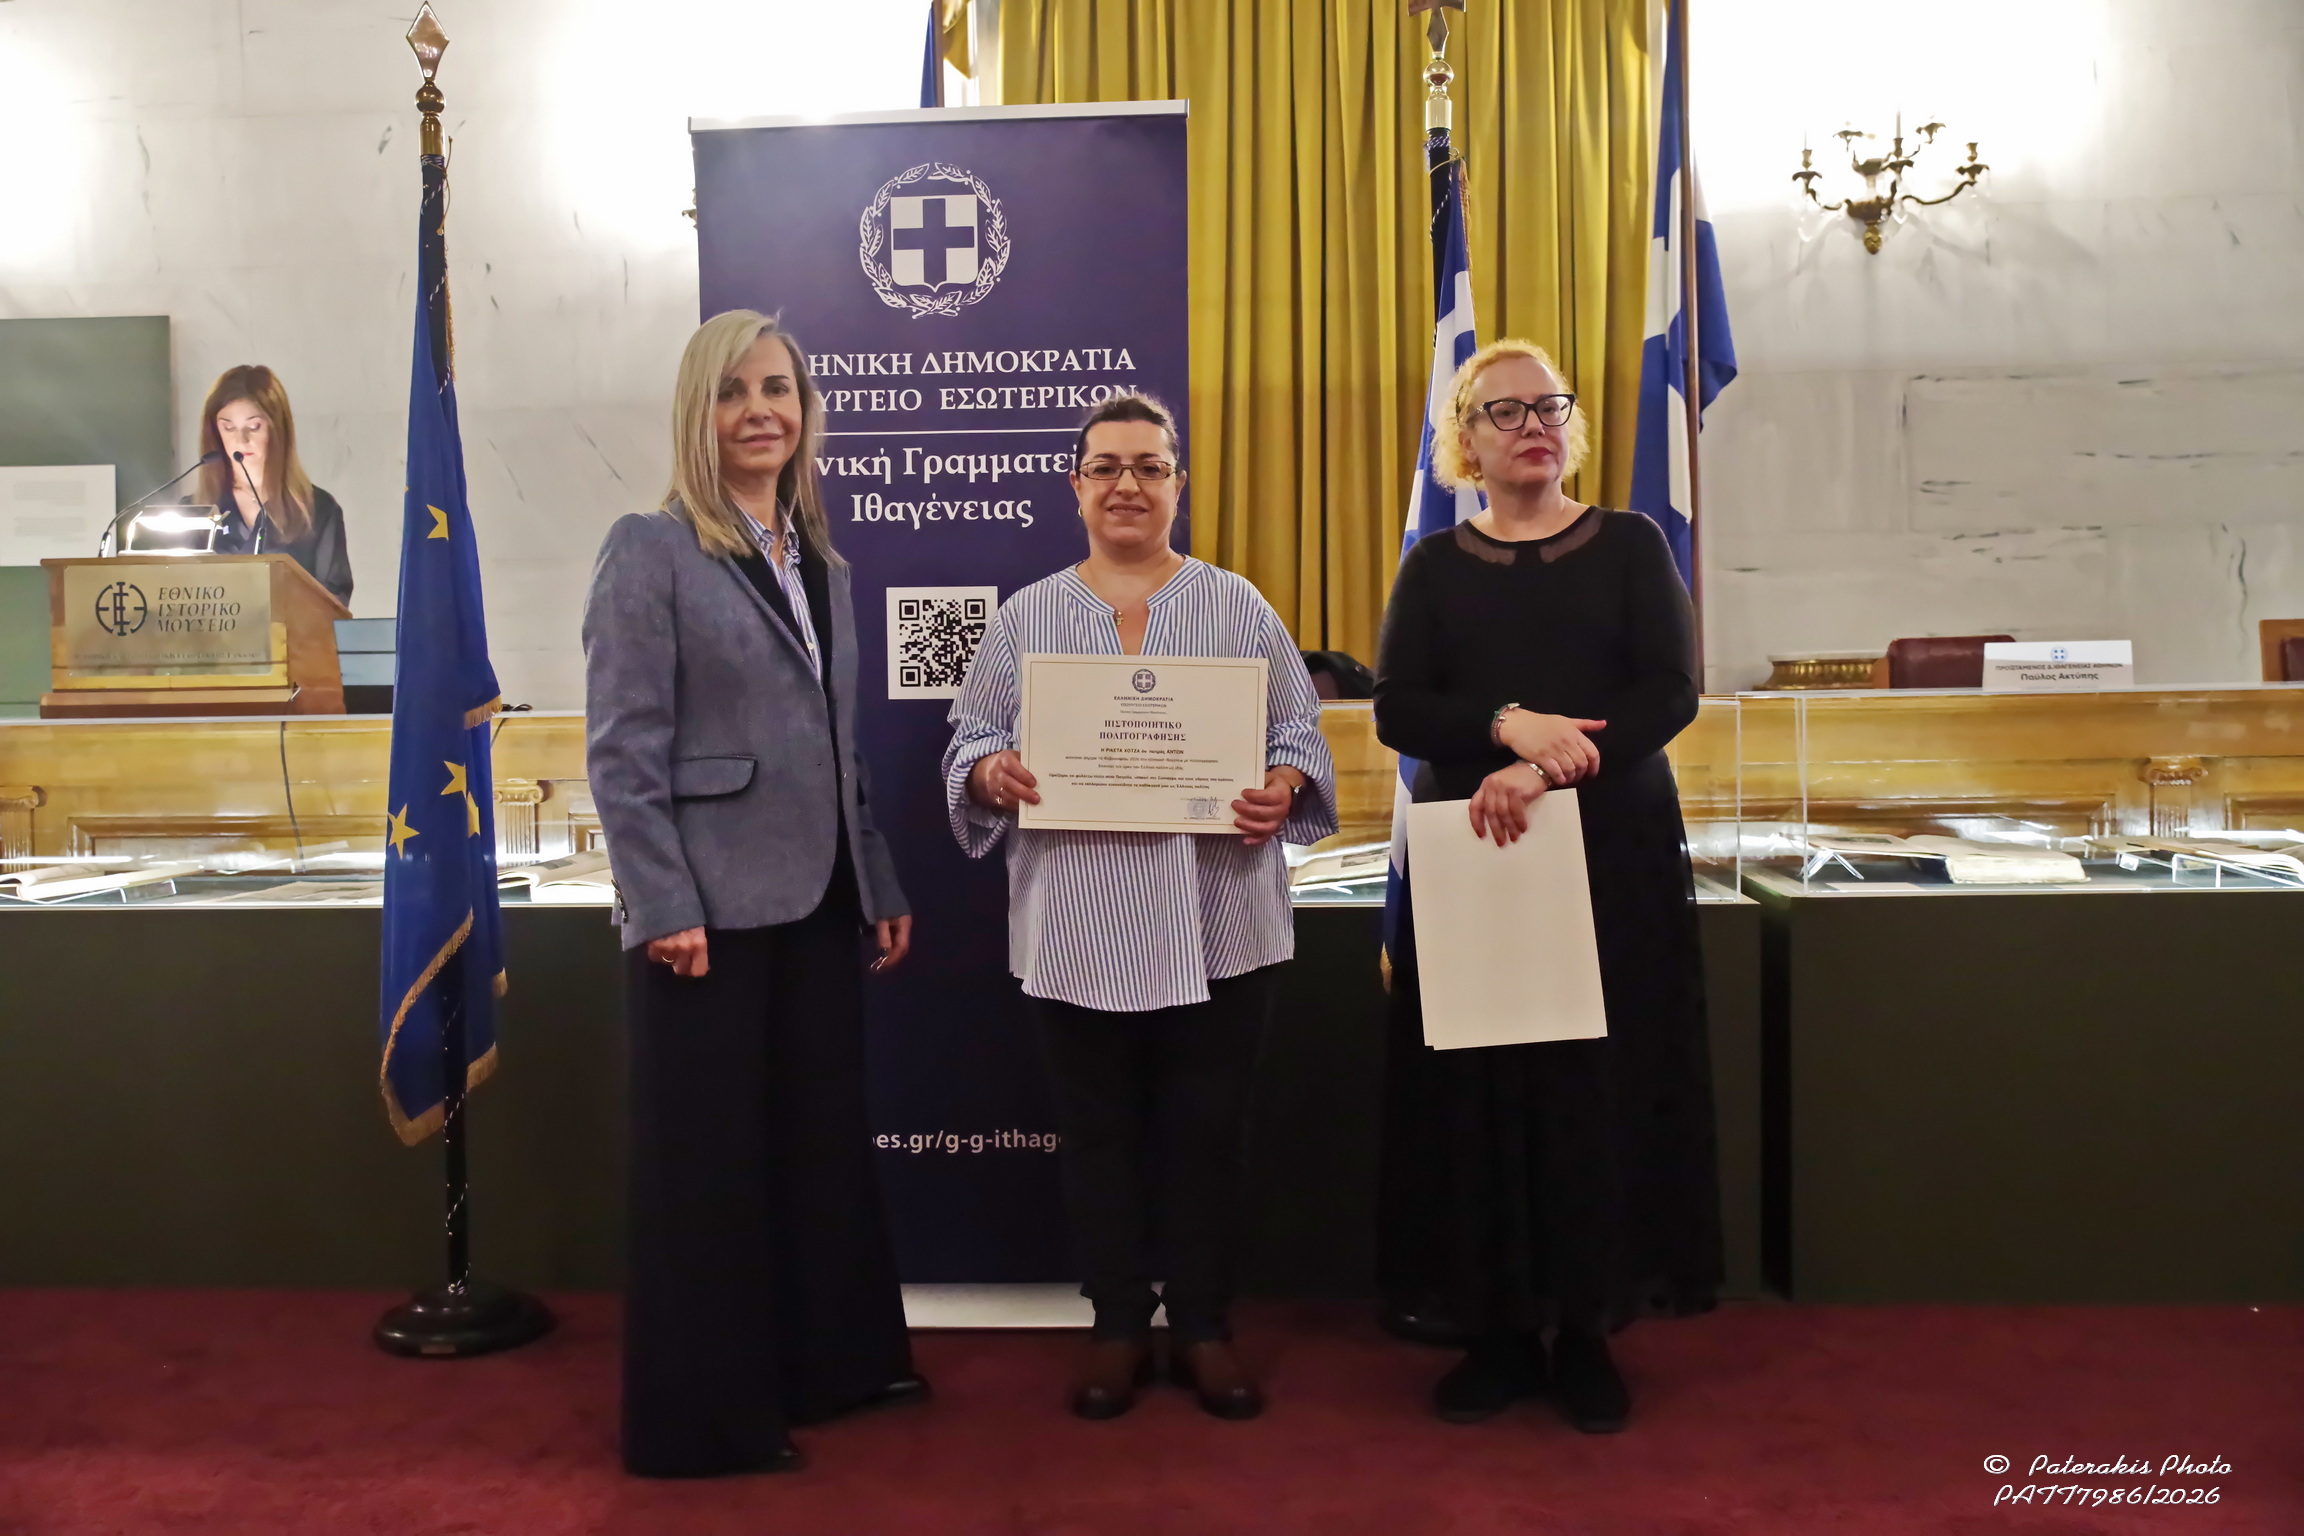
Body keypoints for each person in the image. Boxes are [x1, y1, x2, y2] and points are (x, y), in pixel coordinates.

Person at [942, 393, 1337, 1423]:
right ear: (1076, 486)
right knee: (1099, 1138)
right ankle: (1117, 1323)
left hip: (1221, 922)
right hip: (1076, 924)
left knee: (1208, 1135)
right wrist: (990, 773)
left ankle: (1202, 1324)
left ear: (1178, 484)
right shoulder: (1025, 618)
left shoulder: (1238, 606)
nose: (1128, 485)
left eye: (1149, 467)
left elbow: (1299, 733)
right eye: (1107, 467)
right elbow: (968, 738)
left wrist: (1282, 786)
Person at [584, 310, 924, 1478]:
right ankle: (703, 1422)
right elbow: (622, 749)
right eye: (734, 391)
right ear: (699, 409)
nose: (761, 411)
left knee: (816, 1144)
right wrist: (661, 900)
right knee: (707, 1170)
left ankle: (832, 1366)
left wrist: (874, 874)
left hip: (820, 898)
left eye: (779, 389)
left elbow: (839, 747)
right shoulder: (650, 549)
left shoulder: (821, 561)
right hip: (707, 914)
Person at [1372, 339, 1721, 1435]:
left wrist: (1547, 765)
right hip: (1479, 859)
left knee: (1593, 1092)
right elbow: (1397, 708)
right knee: (1483, 1094)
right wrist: (1503, 727)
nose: (1532, 425)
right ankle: (1499, 1330)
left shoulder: (1632, 544)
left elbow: (1670, 691)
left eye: (1548, 407)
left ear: (1570, 429)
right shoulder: (1434, 566)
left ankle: (1585, 1331)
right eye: (1504, 410)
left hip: (1610, 854)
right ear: (1464, 442)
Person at [194, 365, 353, 605]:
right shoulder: (193, 513)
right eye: (228, 427)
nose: (241, 440)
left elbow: (333, 604)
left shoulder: (318, 510)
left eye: (254, 427)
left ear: (277, 429)